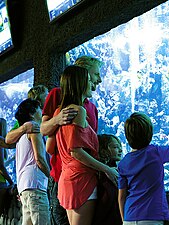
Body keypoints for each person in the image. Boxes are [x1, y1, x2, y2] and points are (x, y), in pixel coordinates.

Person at [40, 56, 117, 225]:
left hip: (66, 178)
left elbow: (49, 146)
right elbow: (77, 151)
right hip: (79, 176)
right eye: (93, 76)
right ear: (82, 77)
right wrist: (107, 169)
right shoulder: (76, 108)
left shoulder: (67, 109)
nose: (98, 80)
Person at [118, 112, 169, 225]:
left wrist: (124, 220)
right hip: (151, 216)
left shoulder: (123, 163)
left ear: (127, 136)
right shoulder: (155, 152)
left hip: (129, 216)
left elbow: (121, 197)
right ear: (150, 134)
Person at [14, 98, 50, 225]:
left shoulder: (20, 136)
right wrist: (52, 177)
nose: (42, 111)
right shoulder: (34, 131)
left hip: (24, 187)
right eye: (39, 108)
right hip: (36, 185)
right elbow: (39, 159)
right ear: (31, 113)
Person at [93, 134, 123, 225]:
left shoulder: (115, 171)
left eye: (120, 147)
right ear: (103, 150)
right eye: (115, 147)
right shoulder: (102, 176)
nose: (120, 150)